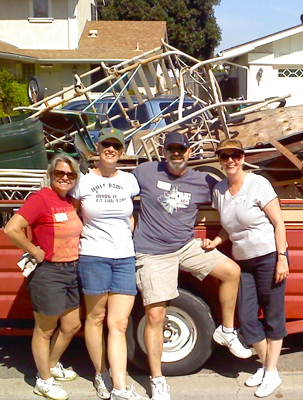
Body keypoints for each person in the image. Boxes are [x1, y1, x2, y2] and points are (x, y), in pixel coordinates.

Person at [132, 131, 252, 400]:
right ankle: (157, 379)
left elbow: (232, 199)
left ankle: (227, 331)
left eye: (181, 150)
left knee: (232, 272)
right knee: (155, 315)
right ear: (164, 152)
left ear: (189, 153)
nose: (177, 154)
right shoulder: (145, 172)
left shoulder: (204, 181)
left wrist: (220, 236)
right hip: (152, 252)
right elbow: (115, 184)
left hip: (186, 247)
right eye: (171, 149)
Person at [203, 139, 289, 398]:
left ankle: (271, 372)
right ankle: (267, 368)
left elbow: (279, 223)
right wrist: (216, 241)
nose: (230, 160)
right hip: (244, 262)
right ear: (219, 159)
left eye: (235, 155)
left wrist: (282, 257)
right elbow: (228, 227)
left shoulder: (258, 184)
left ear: (243, 157)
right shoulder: (219, 190)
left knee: (273, 315)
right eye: (225, 156)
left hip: (268, 256)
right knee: (247, 317)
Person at [4, 154, 83, 400]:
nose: (64, 177)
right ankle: (43, 380)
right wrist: (34, 250)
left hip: (72, 269)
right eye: (59, 173)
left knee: (72, 325)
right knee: (45, 329)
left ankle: (51, 365)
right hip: (49, 272)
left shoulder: (71, 201)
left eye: (70, 174)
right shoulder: (40, 199)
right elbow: (11, 228)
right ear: (51, 175)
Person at [74, 128, 142, 400]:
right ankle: (100, 373)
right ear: (97, 148)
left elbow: (132, 215)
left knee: (120, 324)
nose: (110, 149)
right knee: (96, 318)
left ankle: (120, 386)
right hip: (94, 255)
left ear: (122, 152)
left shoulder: (130, 181)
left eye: (116, 145)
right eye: (106, 144)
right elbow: (73, 211)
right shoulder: (83, 181)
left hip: (124, 257)